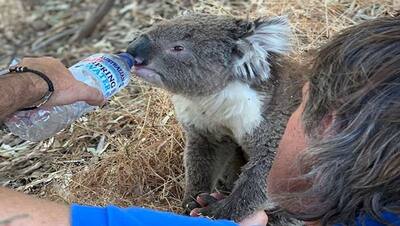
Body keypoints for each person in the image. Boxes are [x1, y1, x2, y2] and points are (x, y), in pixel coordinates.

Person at [0, 16, 399, 226]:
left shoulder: (260, 97)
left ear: (328, 128)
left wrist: (225, 218)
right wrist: (193, 198)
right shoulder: (194, 99)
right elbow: (202, 144)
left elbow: (266, 166)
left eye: (304, 103)